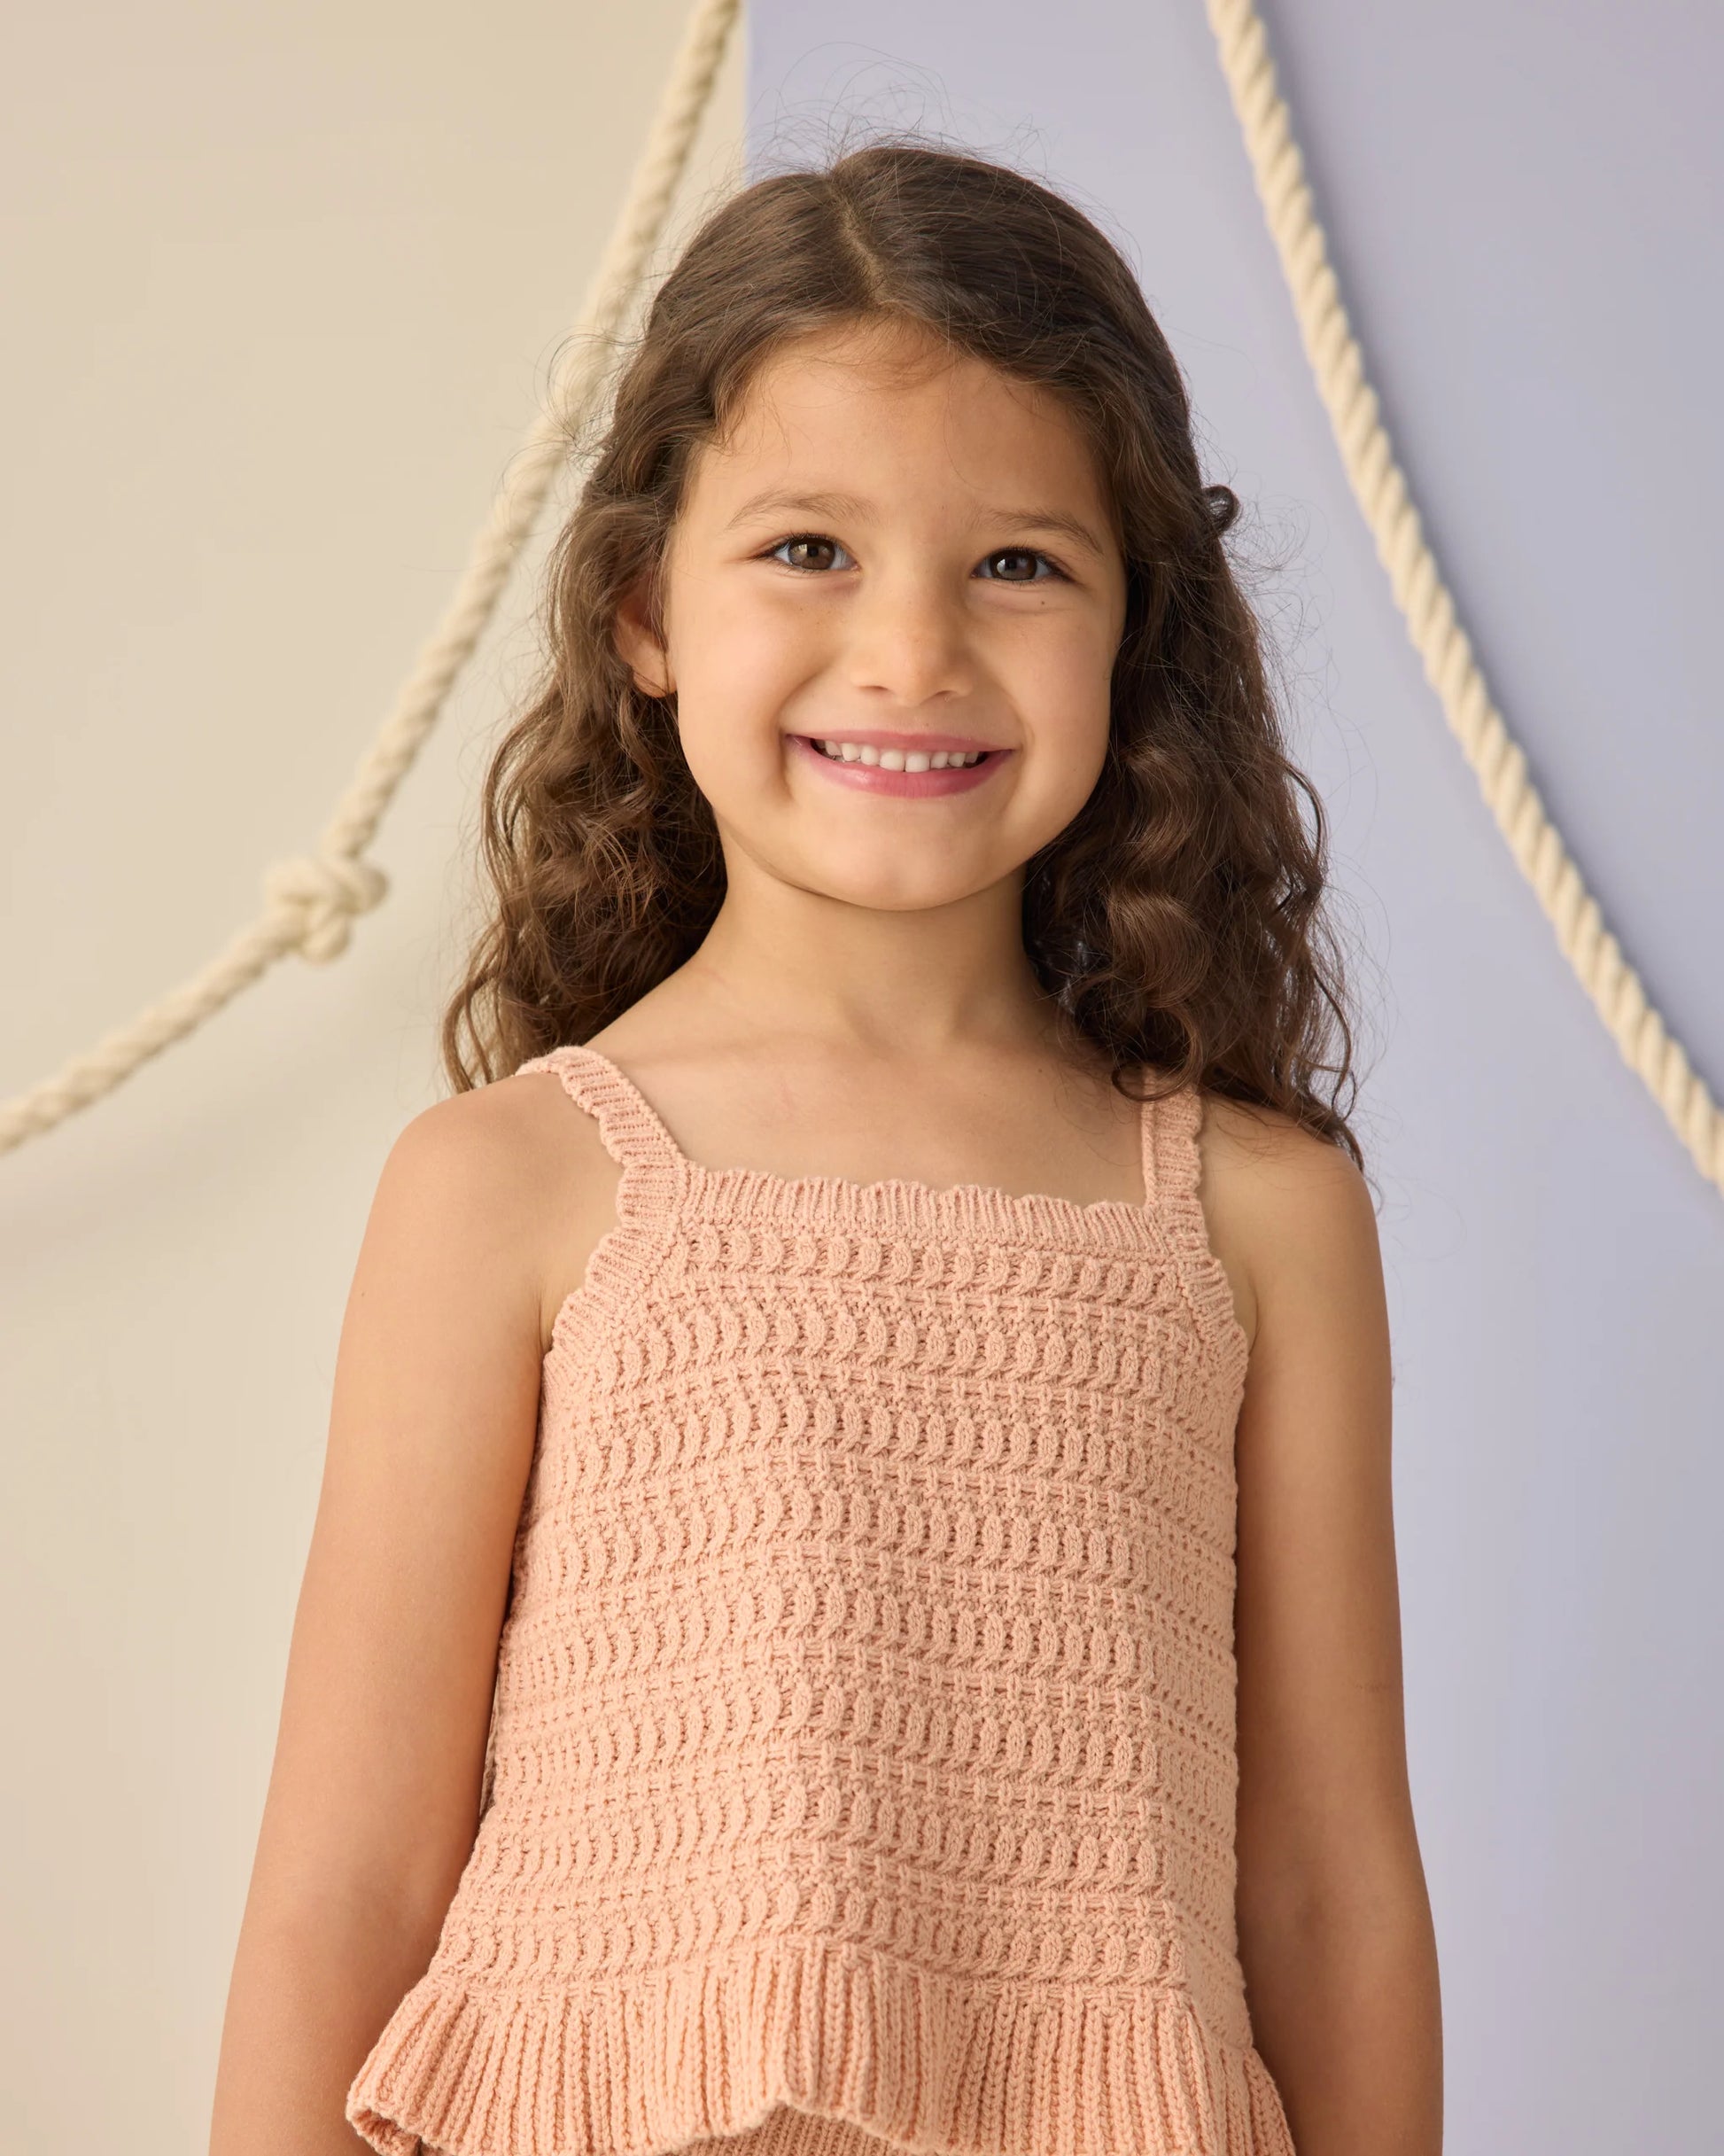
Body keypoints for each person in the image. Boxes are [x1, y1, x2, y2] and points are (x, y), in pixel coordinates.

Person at [209, 141, 1441, 2156]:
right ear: (643, 610)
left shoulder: (1260, 1214)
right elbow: (348, 1879)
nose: (911, 653)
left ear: (1134, 632)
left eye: (1017, 564)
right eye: (808, 548)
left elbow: (1326, 1882)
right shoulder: (512, 1183)